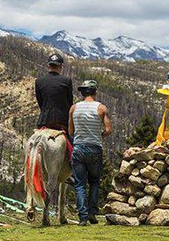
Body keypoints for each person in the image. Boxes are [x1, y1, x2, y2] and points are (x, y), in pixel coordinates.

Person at [68, 80, 112, 226]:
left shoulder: (74, 108)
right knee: (94, 182)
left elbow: (71, 131)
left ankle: (83, 217)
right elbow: (108, 130)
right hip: (94, 148)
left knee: (80, 184)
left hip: (79, 148)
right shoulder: (101, 108)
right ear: (95, 92)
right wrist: (100, 134)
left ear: (82, 92)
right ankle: (92, 213)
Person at [35, 53, 74, 132]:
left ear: (48, 66)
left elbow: (40, 102)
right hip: (62, 121)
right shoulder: (67, 81)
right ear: (61, 66)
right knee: (71, 139)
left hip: (44, 120)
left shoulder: (39, 81)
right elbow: (70, 102)